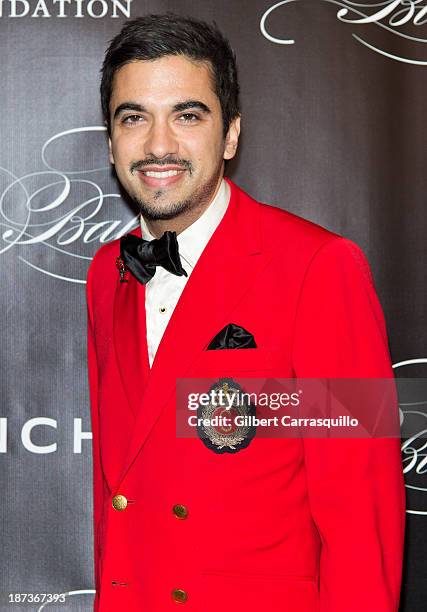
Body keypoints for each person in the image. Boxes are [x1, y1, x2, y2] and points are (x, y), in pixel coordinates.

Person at [86, 13, 406, 612]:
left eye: (187, 115)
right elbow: (119, 490)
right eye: (134, 118)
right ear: (110, 140)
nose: (159, 145)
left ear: (231, 134)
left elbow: (362, 519)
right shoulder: (108, 272)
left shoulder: (320, 268)